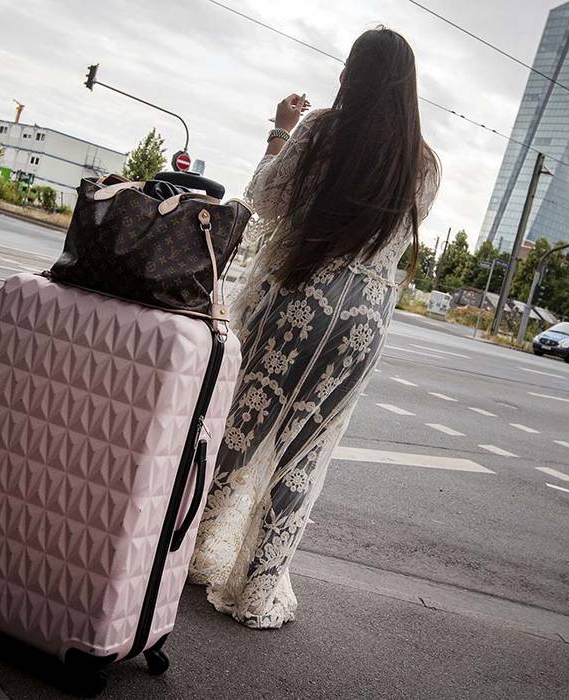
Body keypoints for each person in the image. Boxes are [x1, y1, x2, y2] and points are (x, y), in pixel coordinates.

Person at [190, 26, 440, 629]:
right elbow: (393, 239)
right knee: (304, 448)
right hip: (361, 319)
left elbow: (264, 199)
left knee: (240, 426)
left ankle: (189, 549)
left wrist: (280, 131)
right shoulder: (423, 163)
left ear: (352, 76)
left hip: (297, 299)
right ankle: (258, 585)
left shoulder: (322, 130)